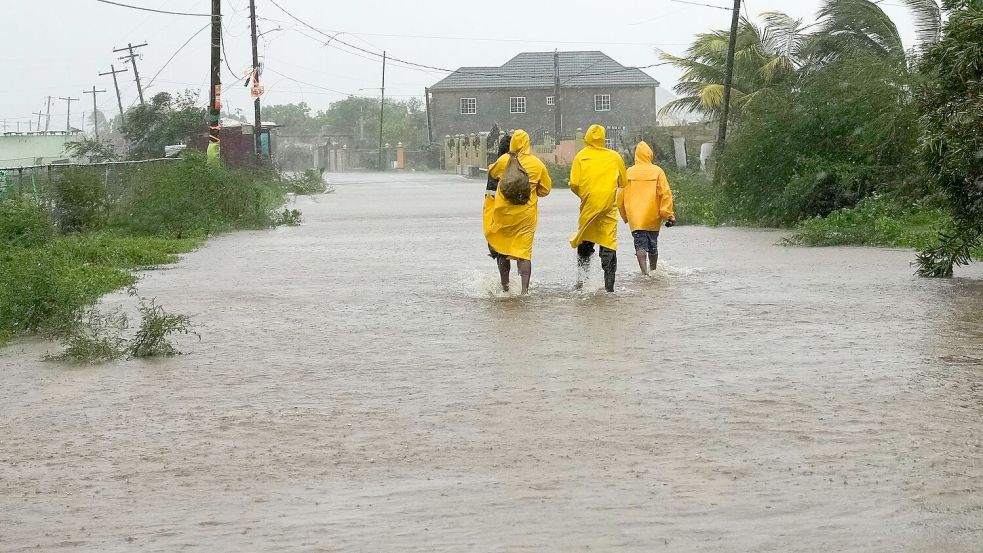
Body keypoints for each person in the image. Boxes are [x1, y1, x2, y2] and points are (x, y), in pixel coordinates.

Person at [485, 130, 552, 294]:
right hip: (525, 217)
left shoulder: (504, 160)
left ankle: (505, 288)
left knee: (502, 250)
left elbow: (492, 173)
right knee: (524, 253)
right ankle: (524, 291)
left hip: (504, 215)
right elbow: (545, 190)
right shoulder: (537, 164)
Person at [568, 124, 628, 292]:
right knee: (608, 242)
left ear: (587, 137)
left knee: (585, 240)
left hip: (588, 206)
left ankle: (581, 283)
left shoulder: (581, 157)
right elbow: (623, 182)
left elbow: (574, 184)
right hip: (608, 207)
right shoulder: (615, 157)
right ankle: (609, 287)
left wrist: (585, 195)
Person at [618, 141, 676, 275]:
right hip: (653, 215)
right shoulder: (657, 171)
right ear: (650, 154)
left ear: (636, 156)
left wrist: (626, 216)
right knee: (653, 244)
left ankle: (644, 274)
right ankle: (654, 270)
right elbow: (665, 194)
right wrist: (668, 214)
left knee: (640, 244)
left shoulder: (629, 172)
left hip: (636, 217)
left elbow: (619, 197)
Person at [483, 131, 512, 263]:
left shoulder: (497, 165)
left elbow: (490, 193)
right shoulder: (525, 163)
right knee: (521, 253)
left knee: (501, 250)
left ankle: (505, 283)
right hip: (520, 211)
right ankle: (523, 282)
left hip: (499, 210)